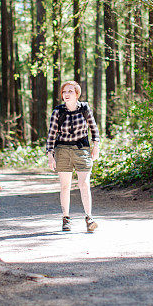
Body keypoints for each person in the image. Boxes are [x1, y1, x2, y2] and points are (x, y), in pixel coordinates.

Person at [46, 80, 100, 232]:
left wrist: (96, 146)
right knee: (65, 186)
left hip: (81, 149)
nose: (66, 94)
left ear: (77, 94)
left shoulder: (84, 108)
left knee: (84, 184)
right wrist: (50, 154)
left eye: (70, 91)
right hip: (62, 150)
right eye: (64, 92)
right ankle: (66, 219)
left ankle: (89, 218)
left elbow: (93, 128)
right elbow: (51, 134)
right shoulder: (58, 111)